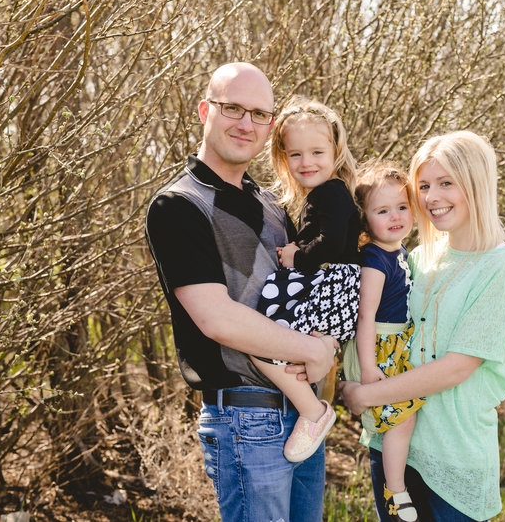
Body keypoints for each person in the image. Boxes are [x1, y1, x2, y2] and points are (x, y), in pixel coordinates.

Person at [144, 62, 337, 522]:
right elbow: (218, 319)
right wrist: (313, 350)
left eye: (259, 114)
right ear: (205, 109)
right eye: (233, 108)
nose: (246, 123)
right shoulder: (179, 206)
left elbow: (307, 290)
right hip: (247, 422)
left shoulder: (273, 204)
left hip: (304, 413)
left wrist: (328, 344)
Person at [340, 131, 505, 522]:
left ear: (476, 183)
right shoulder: (418, 258)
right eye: (424, 185)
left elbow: (458, 367)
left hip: (454, 453)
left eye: (446, 183)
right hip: (394, 444)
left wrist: (365, 396)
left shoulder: (503, 266)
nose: (432, 197)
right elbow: (371, 321)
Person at [253, 96, 361, 463]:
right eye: (295, 154)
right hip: (333, 289)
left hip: (329, 288)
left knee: (259, 343)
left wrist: (296, 254)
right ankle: (313, 399)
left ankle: (313, 412)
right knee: (276, 345)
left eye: (317, 152)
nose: (307, 162)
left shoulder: (331, 192)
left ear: (336, 150)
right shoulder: (326, 194)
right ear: (283, 157)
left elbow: (328, 244)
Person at [342, 160, 426, 522]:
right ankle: (394, 490)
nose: (395, 217)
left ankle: (396, 484)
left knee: (405, 417)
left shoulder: (400, 252)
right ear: (366, 219)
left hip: (395, 344)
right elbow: (366, 318)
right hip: (378, 347)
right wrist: (368, 367)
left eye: (402, 207)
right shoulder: (375, 259)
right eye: (382, 210)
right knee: (401, 418)